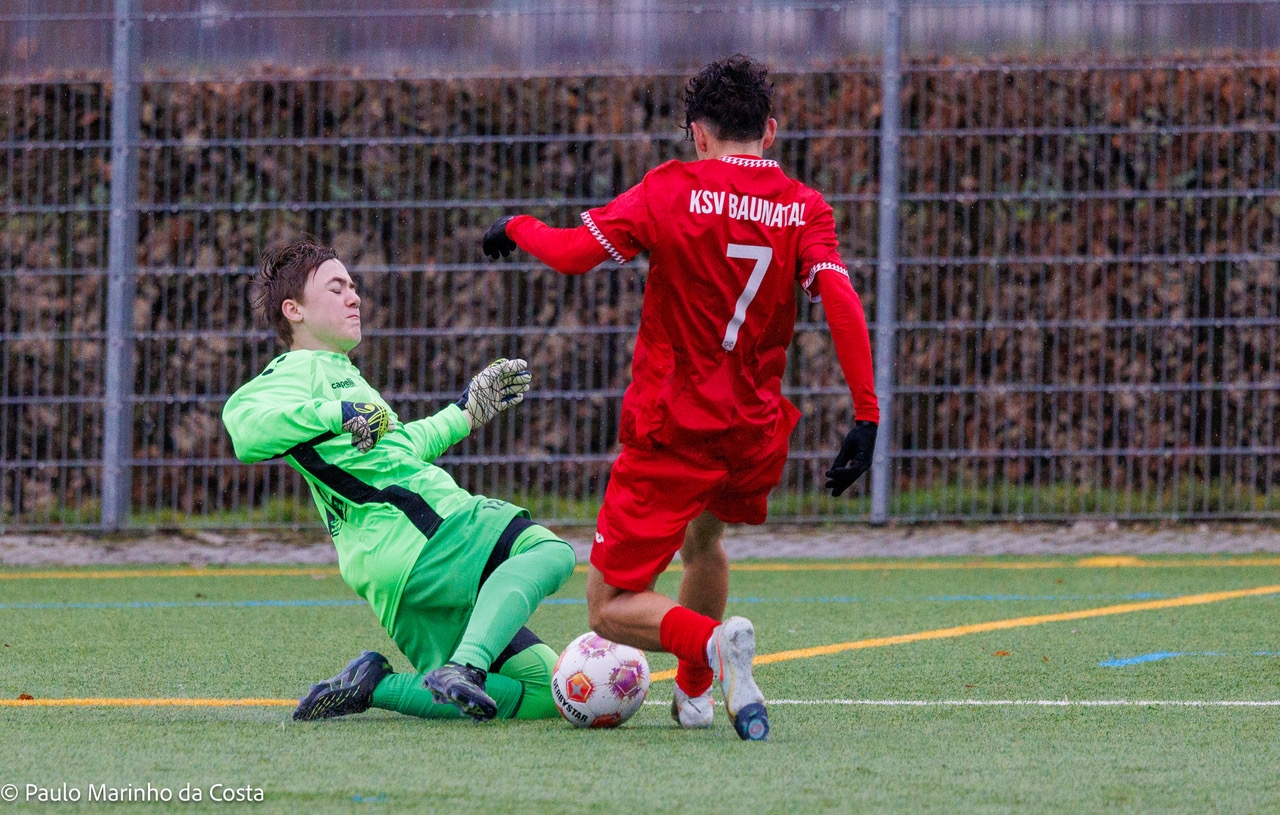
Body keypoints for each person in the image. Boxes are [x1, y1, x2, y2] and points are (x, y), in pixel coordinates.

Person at [480, 55, 879, 741]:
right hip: (751, 430)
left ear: (697, 133)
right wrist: (867, 412)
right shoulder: (803, 207)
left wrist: (516, 226)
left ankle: (711, 648)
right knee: (704, 539)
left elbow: (573, 253)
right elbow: (839, 298)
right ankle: (694, 697)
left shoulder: (670, 189)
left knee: (607, 606)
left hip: (673, 428)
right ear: (771, 130)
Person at [222, 239, 577, 723]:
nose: (354, 297)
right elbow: (242, 424)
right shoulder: (300, 370)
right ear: (294, 311)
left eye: (353, 287)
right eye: (336, 288)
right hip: (429, 534)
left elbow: (398, 452)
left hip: (393, 572)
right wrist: (336, 411)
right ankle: (467, 665)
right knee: (551, 552)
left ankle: (375, 685)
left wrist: (466, 412)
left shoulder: (339, 374)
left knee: (546, 692)